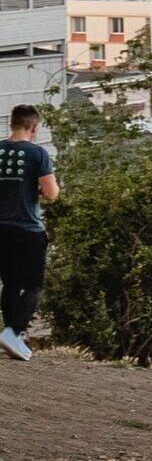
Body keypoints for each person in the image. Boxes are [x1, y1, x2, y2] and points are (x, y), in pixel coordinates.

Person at [0, 103, 56, 362]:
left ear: (11, 123)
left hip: (2, 228)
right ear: (34, 126)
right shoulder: (37, 154)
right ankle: (13, 332)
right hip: (28, 228)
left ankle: (13, 338)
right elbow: (51, 193)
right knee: (34, 286)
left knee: (10, 283)